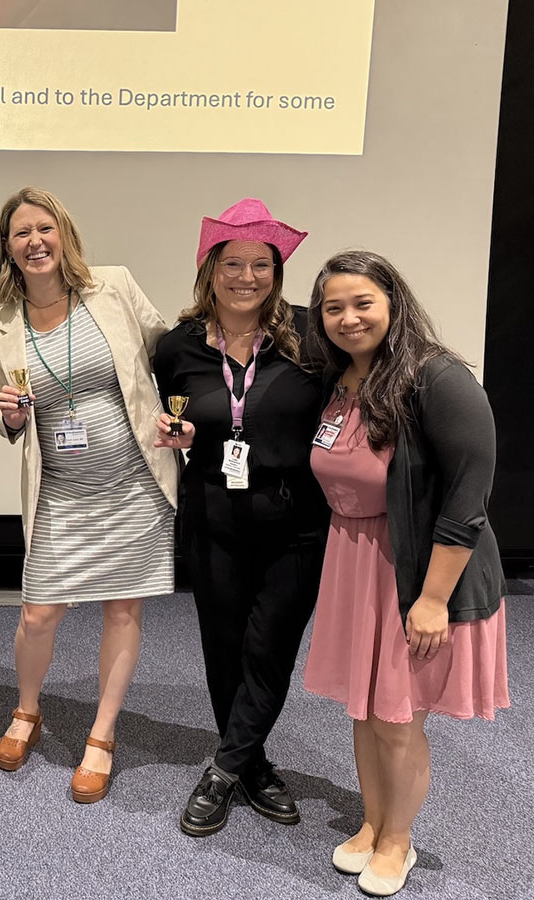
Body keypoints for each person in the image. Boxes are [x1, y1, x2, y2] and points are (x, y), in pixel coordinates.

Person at [302, 250, 509, 897]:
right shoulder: (342, 380)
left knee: (398, 718)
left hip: (418, 572)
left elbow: (468, 500)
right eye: (333, 307)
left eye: (362, 302)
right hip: (354, 564)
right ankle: (372, 822)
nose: (347, 317)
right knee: (363, 712)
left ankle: (399, 840)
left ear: (393, 302)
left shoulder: (437, 379)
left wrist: (433, 601)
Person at [0, 187, 177, 804]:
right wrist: (8, 417)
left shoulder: (112, 287)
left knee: (123, 611)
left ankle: (102, 733)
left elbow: (165, 353)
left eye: (45, 228)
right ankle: (28, 709)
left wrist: (180, 418)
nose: (35, 241)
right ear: (7, 249)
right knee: (39, 613)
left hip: (131, 486)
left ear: (63, 234)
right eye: (21, 233)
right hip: (61, 492)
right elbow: (5, 419)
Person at [151, 198, 328, 836]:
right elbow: (161, 413)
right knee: (224, 647)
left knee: (271, 645)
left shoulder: (312, 336)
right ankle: (252, 765)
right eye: (233, 263)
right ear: (210, 267)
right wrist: (173, 432)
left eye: (261, 264)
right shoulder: (177, 347)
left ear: (277, 271)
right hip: (212, 514)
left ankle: (223, 770)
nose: (246, 277)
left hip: (295, 519)